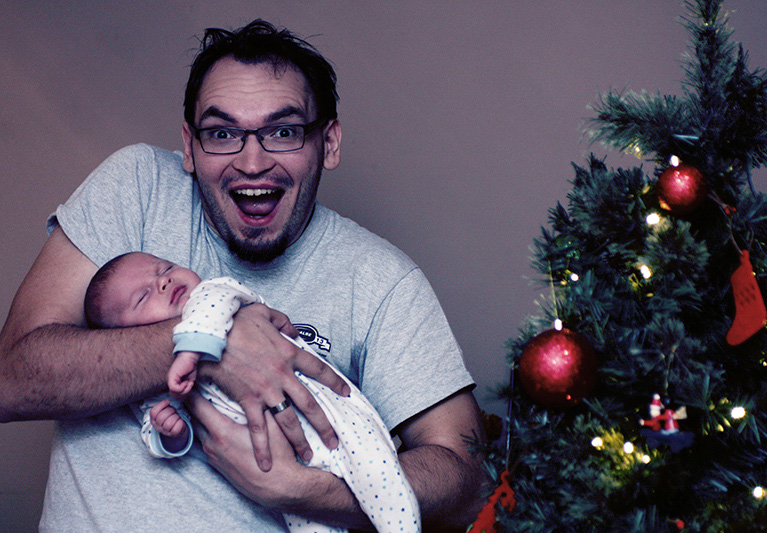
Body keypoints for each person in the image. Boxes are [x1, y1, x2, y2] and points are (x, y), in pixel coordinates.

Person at [0, 19, 486, 531]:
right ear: (190, 146)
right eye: (222, 133)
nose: (252, 163)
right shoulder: (137, 188)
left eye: (283, 131)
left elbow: (465, 476)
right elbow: (9, 379)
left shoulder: (382, 281)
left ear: (329, 142)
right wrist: (216, 346)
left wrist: (308, 491)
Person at [83, 250, 421, 532]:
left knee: (379, 480)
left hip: (332, 421)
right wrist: (170, 432)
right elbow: (153, 423)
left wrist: (188, 352)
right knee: (314, 524)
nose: (163, 281)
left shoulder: (215, 293)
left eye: (165, 268)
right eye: (143, 297)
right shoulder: (157, 378)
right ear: (125, 335)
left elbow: (210, 310)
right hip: (283, 467)